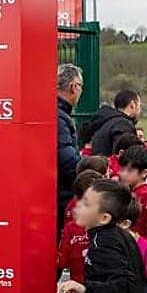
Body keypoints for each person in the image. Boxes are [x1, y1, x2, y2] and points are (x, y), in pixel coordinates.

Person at [57, 64, 84, 234]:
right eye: (81, 87)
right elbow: (67, 161)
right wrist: (87, 167)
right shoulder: (60, 118)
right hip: (61, 195)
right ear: (74, 87)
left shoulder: (58, 114)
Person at [118, 145, 147, 237]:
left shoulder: (140, 195)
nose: (122, 174)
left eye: (129, 170)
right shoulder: (144, 192)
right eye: (122, 169)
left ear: (144, 173)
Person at [88, 90, 142, 156]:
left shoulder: (105, 122)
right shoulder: (123, 125)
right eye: (139, 106)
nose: (140, 110)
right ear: (132, 104)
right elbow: (125, 156)